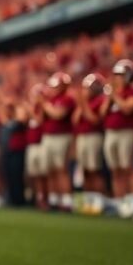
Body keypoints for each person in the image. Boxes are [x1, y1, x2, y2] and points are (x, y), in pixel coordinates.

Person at [101, 59, 133, 217]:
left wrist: (114, 96)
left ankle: (132, 200)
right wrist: (109, 98)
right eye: (117, 75)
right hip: (111, 133)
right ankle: (120, 201)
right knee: (115, 169)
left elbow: (128, 108)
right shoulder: (113, 93)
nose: (117, 78)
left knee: (128, 167)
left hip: (127, 132)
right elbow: (102, 113)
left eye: (121, 74)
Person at [39, 72, 75, 211]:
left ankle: (66, 200)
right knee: (50, 169)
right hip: (48, 136)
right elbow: (40, 119)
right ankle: (54, 198)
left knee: (61, 168)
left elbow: (58, 115)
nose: (54, 89)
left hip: (61, 136)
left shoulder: (67, 98)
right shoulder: (51, 100)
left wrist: (44, 104)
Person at [72, 73, 107, 214]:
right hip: (82, 137)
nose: (86, 91)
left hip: (94, 136)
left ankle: (98, 200)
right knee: (85, 170)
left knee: (94, 169)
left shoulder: (100, 100)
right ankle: (88, 200)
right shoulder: (85, 102)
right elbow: (75, 120)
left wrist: (83, 104)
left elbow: (94, 120)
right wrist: (81, 105)